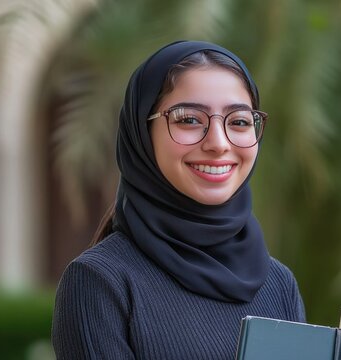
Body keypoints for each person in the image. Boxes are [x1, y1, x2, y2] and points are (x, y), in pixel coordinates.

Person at [51, 40, 306, 359]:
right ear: (142, 134)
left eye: (239, 121)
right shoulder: (100, 282)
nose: (218, 143)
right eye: (189, 119)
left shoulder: (278, 284)